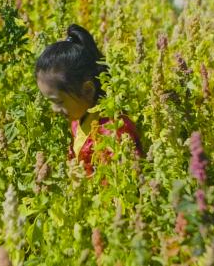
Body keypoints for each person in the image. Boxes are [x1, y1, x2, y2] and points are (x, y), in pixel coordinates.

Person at [35, 24, 143, 175]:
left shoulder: (115, 130)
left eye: (58, 101)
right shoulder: (79, 117)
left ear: (87, 90)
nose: (54, 109)